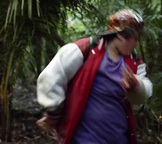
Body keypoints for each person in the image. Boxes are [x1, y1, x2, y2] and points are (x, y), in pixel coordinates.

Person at [36, 9, 153, 144]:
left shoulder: (133, 61)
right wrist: (53, 112)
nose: (137, 44)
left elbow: (144, 94)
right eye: (135, 39)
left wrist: (136, 85)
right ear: (121, 35)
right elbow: (51, 77)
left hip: (118, 138)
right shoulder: (86, 49)